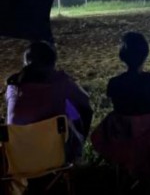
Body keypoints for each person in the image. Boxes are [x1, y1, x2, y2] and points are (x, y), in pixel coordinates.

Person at [4, 41, 92, 195]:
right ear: (52, 62)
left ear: (25, 62)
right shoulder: (61, 82)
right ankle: (77, 155)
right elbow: (85, 102)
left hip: (17, 159)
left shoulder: (12, 86)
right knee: (72, 110)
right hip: (54, 157)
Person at [92, 32, 150, 178]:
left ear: (123, 56)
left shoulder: (115, 84)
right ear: (145, 54)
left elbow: (119, 116)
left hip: (125, 143)